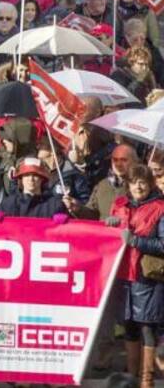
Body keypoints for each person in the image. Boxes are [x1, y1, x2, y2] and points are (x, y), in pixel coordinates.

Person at [107, 164, 164, 386]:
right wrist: (109, 224)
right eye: (133, 182)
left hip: (146, 277)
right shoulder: (119, 205)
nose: (138, 186)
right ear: (127, 185)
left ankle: (146, 381)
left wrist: (136, 241)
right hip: (122, 275)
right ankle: (130, 379)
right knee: (129, 328)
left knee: (147, 328)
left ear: (150, 184)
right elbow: (109, 236)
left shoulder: (160, 207)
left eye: (142, 182)